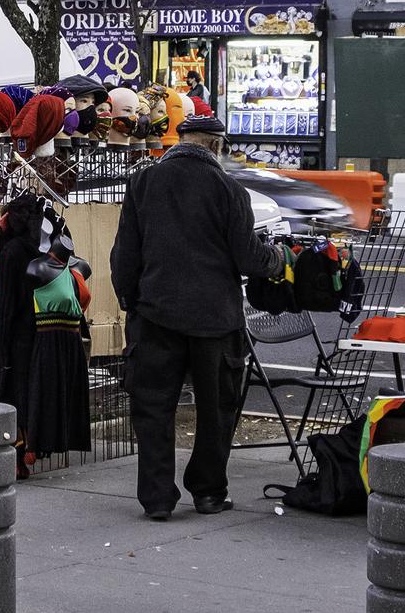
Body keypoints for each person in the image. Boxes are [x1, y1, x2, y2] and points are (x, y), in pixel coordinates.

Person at [111, 113, 283, 520]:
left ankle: (156, 499)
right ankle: (208, 493)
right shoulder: (229, 190)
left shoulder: (143, 183)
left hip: (155, 314)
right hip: (215, 320)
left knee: (152, 408)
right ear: (216, 146)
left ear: (181, 140)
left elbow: (124, 257)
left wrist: (131, 302)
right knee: (215, 409)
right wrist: (277, 259)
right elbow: (250, 258)